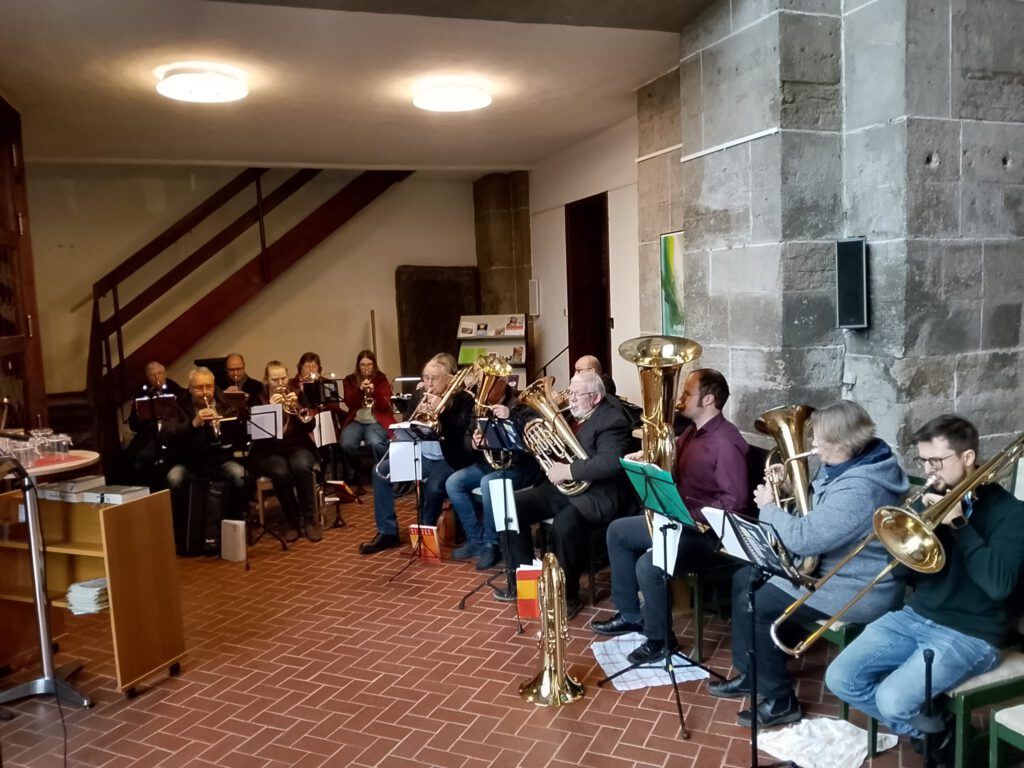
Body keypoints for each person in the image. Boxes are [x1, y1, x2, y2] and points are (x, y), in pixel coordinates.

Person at [826, 415, 1024, 760]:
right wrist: (912, 534)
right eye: (924, 461)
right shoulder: (932, 499)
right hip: (917, 616)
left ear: (966, 458)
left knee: (891, 699)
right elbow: (908, 574)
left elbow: (999, 586)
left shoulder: (1012, 514)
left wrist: (960, 524)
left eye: (937, 461)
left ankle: (943, 743)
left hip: (972, 633)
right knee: (840, 677)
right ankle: (941, 733)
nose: (930, 471)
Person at [708, 400, 910, 728]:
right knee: (744, 577)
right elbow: (818, 512)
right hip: (830, 570)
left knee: (759, 602)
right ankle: (752, 673)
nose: (813, 446)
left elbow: (805, 538)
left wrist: (770, 507)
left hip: (856, 586)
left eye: (819, 440)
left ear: (845, 444)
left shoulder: (861, 488)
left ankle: (780, 700)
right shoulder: (848, 463)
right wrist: (786, 486)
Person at [591, 369, 749, 663]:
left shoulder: (726, 442)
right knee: (618, 532)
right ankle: (630, 614)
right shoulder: (692, 430)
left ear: (709, 399)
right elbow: (672, 458)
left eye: (688, 393)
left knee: (649, 565)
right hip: (679, 521)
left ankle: (661, 640)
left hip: (710, 536)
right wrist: (646, 460)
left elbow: (734, 503)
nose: (681, 399)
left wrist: (686, 513)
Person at [495, 372, 633, 619]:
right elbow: (549, 447)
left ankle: (566, 597)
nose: (570, 399)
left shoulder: (612, 421)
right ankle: (525, 579)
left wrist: (568, 469)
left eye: (576, 394)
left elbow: (611, 462)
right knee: (510, 506)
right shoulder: (569, 416)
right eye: (570, 392)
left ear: (595, 397)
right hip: (562, 488)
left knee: (565, 525)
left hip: (595, 494)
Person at [358, 354, 474, 555]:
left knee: (434, 486)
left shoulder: (463, 399)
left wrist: (442, 410)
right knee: (380, 472)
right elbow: (405, 423)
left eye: (434, 378)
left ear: (449, 378)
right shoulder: (420, 394)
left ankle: (425, 536)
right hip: (421, 453)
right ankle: (387, 533)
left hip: (448, 458)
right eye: (425, 377)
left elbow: (460, 432)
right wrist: (416, 413)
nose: (428, 383)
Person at [447, 373, 540, 571]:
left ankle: (492, 543)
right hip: (489, 463)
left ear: (502, 383)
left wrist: (511, 417)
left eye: (489, 382)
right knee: (453, 482)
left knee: (489, 483)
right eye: (481, 382)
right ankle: (475, 539)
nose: (483, 387)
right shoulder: (479, 405)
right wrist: (473, 443)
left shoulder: (521, 404)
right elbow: (467, 444)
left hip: (520, 466)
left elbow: (534, 442)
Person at [160, 367, 246, 554]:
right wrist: (193, 424)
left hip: (218, 459)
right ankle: (181, 532)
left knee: (240, 476)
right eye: (199, 388)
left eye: (209, 387)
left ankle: (235, 526)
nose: (205, 392)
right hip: (187, 459)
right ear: (190, 388)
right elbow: (166, 435)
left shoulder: (225, 402)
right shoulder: (176, 406)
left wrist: (225, 425)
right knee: (174, 479)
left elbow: (240, 428)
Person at [248, 361, 322, 543]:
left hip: (298, 447)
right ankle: (292, 523)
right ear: (266, 380)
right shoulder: (257, 399)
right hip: (269, 451)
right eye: (275, 380)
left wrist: (296, 406)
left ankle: (309, 520)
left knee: (301, 466)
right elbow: (259, 435)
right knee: (280, 472)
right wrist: (271, 409)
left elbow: (310, 424)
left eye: (283, 378)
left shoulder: (296, 394)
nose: (280, 383)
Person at [118, 361, 184, 488]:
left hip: (170, 432)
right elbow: (134, 425)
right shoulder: (142, 393)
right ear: (147, 377)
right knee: (130, 459)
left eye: (159, 373)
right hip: (148, 433)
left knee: (160, 460)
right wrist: (138, 412)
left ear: (164, 374)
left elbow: (182, 415)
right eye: (152, 375)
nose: (156, 377)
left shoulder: (175, 389)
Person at [339, 350, 395, 480]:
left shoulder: (381, 379)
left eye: (369, 364)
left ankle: (381, 473)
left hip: (376, 421)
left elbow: (384, 405)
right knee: (346, 443)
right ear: (358, 366)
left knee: (375, 443)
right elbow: (349, 403)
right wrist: (360, 390)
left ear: (374, 365)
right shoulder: (350, 380)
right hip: (357, 421)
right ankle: (355, 473)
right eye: (362, 365)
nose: (366, 368)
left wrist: (374, 392)